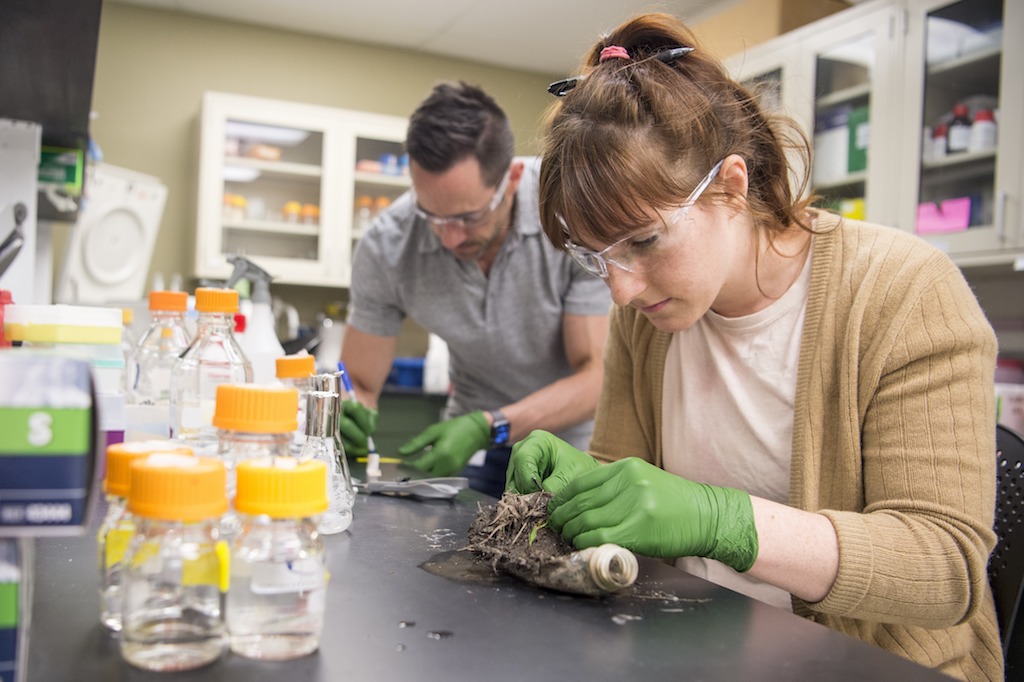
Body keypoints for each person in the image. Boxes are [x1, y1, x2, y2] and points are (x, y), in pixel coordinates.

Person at [505, 13, 1001, 681]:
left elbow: (943, 569)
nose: (620, 291)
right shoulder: (648, 316)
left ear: (731, 187)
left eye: (645, 241)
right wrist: (582, 493)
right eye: (598, 257)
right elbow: (627, 501)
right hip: (691, 649)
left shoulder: (903, 292)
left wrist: (725, 522)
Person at [340, 81, 612, 498]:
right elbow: (359, 380)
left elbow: (596, 375)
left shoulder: (568, 214)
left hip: (570, 440)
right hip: (468, 439)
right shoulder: (388, 245)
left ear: (514, 178)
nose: (448, 238)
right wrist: (349, 410)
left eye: (469, 217)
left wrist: (492, 426)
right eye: (431, 214)